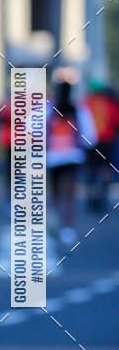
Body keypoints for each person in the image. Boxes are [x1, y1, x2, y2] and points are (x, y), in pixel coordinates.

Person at [46, 80, 97, 247]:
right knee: (69, 195)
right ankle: (67, 230)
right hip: (72, 156)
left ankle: (52, 221)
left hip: (53, 157)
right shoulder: (79, 110)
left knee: (54, 192)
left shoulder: (48, 109)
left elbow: (31, 128)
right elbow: (90, 136)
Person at [83, 81, 119, 211]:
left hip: (90, 141)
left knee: (90, 169)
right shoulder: (110, 104)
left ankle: (90, 196)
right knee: (106, 169)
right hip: (107, 141)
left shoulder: (86, 103)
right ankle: (103, 195)